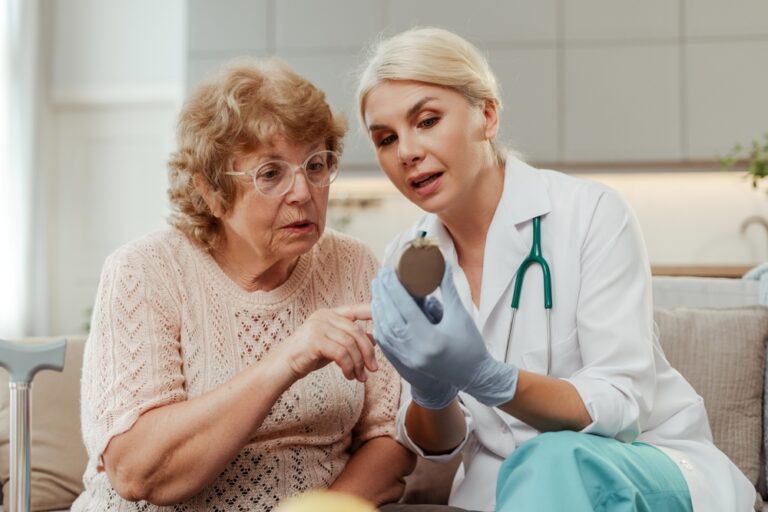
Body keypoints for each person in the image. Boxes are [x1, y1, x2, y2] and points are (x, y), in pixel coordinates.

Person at [356, 27, 755, 512]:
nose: (406, 152)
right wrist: (430, 392)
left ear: (487, 114)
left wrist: (489, 377)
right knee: (541, 470)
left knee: (551, 459)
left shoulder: (590, 214)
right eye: (386, 139)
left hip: (642, 466)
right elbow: (439, 447)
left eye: (428, 120)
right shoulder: (407, 256)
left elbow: (621, 405)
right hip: (507, 492)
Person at [72, 58, 414, 511]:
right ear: (210, 192)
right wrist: (287, 360)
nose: (303, 192)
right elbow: (137, 472)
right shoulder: (145, 271)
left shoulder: (352, 265)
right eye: (270, 173)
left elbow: (390, 436)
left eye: (315, 165)